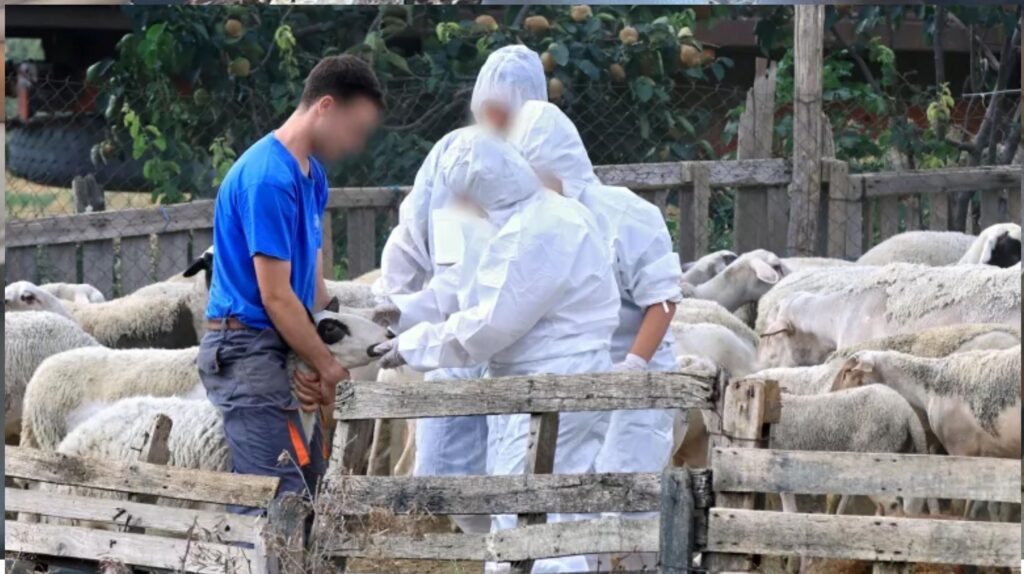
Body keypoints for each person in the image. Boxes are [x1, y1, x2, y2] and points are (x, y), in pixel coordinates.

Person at [372, 132, 621, 573]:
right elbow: (464, 289)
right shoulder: (508, 221)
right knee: (522, 510)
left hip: (557, 385)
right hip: (524, 387)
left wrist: (412, 346)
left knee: (538, 516)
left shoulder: (546, 227)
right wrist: (404, 311)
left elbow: (490, 323)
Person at [198, 55, 382, 512]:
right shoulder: (268, 179)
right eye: (355, 130)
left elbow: (312, 288)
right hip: (248, 347)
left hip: (289, 340)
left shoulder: (311, 176)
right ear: (326, 106)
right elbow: (276, 295)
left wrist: (316, 361)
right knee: (278, 495)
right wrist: (329, 368)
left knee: (310, 485)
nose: (356, 144)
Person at [372, 45, 547, 520]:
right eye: (489, 107)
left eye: (507, 108)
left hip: (524, 356)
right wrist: (394, 311)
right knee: (441, 481)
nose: (495, 119)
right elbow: (412, 237)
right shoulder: (453, 155)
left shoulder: (546, 157)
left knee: (516, 487)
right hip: (449, 349)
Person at [508, 101, 682, 571]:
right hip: (576, 384)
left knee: (627, 501)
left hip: (635, 387)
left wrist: (633, 367)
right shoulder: (539, 223)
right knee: (569, 503)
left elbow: (663, 299)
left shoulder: (627, 215)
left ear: (561, 164)